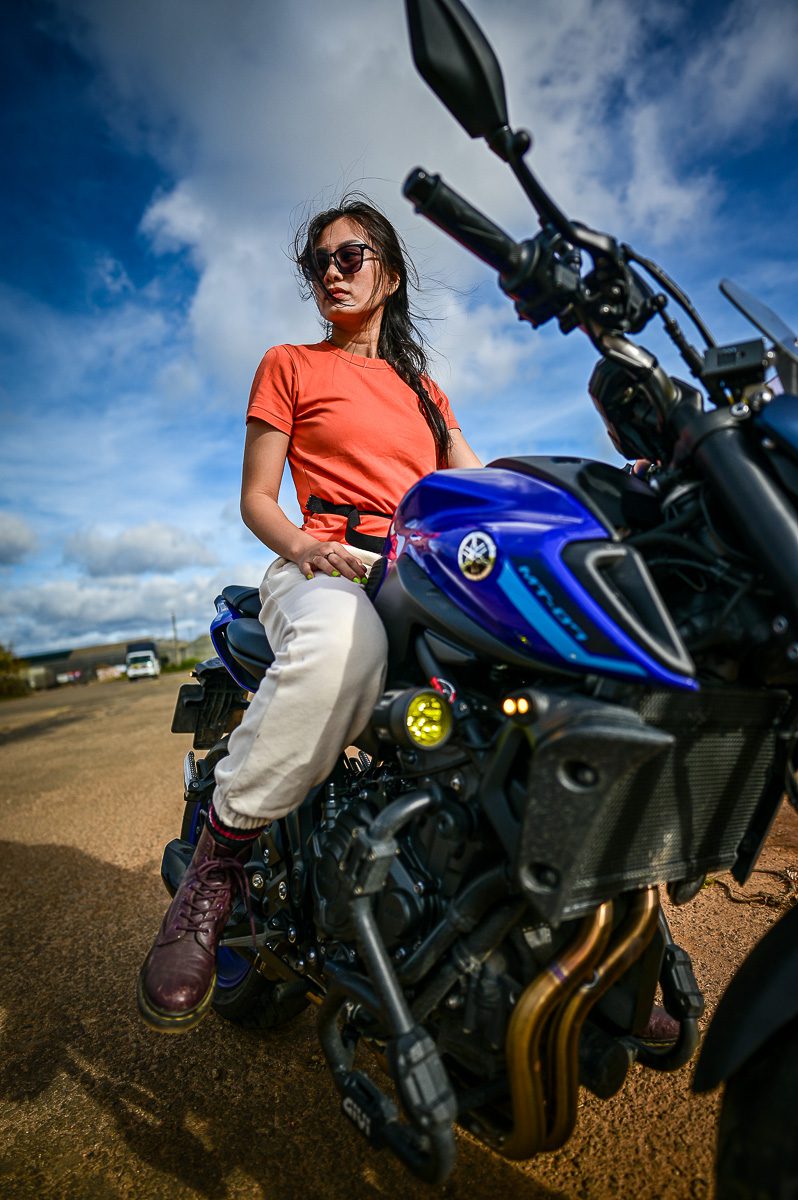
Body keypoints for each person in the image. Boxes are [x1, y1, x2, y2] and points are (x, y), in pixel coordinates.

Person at [137, 196, 481, 1032]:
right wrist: (306, 547)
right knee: (340, 647)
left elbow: (480, 482)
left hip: (416, 573)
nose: (331, 270)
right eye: (318, 261)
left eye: (349, 255)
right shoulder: (289, 363)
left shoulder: (423, 390)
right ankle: (217, 866)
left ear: (388, 276)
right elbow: (258, 498)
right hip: (322, 561)